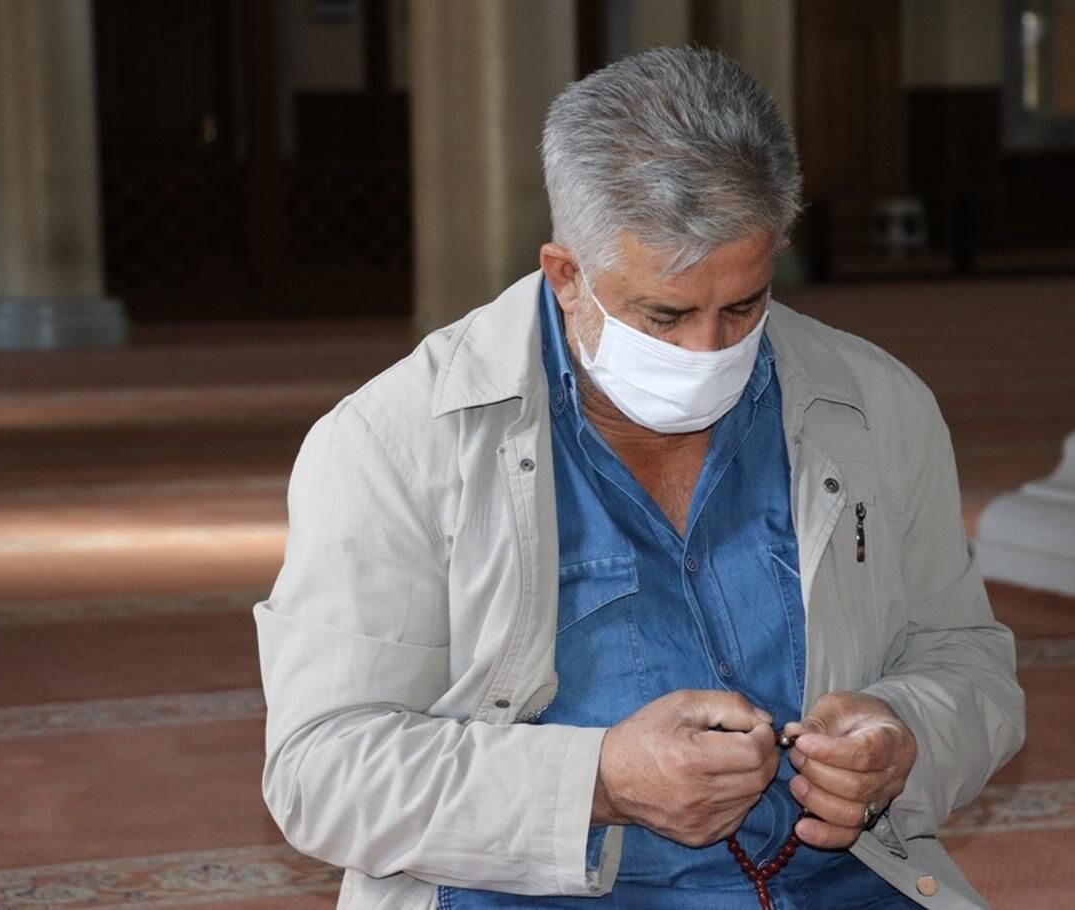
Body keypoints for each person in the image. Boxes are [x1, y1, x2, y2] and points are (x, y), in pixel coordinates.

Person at [255, 47, 1023, 910]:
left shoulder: (875, 406)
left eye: (744, 305)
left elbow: (968, 664)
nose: (709, 350)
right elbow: (321, 772)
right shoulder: (393, 442)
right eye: (666, 315)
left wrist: (905, 737)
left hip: (838, 885)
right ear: (567, 276)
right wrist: (600, 780)